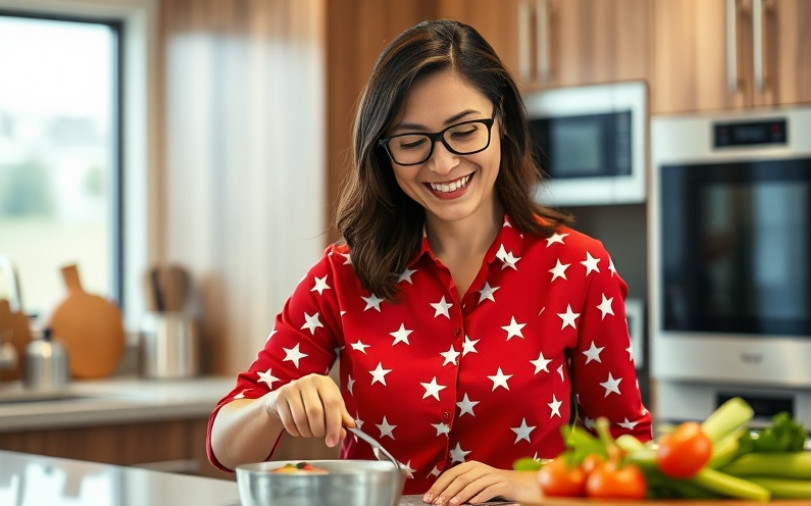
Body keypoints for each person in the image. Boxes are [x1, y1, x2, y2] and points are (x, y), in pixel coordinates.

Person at [207, 19, 652, 505]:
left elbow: (631, 450)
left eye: (464, 131)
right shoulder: (342, 275)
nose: (442, 164)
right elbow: (225, 441)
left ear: (501, 120)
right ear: (384, 151)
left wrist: (536, 482)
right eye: (412, 141)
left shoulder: (579, 266)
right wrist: (273, 406)